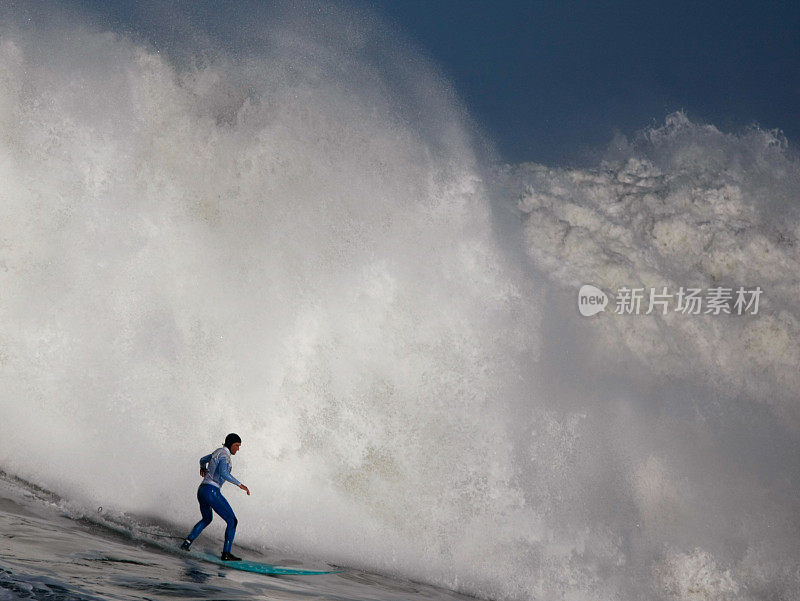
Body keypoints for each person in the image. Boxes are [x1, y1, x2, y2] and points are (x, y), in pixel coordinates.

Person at [180, 433, 251, 560]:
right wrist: (240, 485)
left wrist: (203, 468)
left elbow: (202, 459)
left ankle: (186, 544)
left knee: (206, 519)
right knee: (232, 521)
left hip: (202, 490)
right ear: (230, 444)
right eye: (236, 446)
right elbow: (224, 473)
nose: (238, 449)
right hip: (212, 491)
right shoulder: (225, 456)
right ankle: (226, 554)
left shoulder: (217, 452)